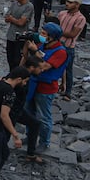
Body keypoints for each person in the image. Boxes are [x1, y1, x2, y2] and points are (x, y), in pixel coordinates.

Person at [21, 22, 67, 157]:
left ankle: (44, 142)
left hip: (46, 88)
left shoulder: (60, 52)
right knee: (29, 112)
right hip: (33, 83)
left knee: (43, 116)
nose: (41, 35)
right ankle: (30, 136)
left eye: (44, 34)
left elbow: (44, 66)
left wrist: (35, 51)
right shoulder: (43, 46)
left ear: (53, 37)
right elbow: (30, 60)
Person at [58, 0, 86, 99]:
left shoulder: (80, 18)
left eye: (70, 2)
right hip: (57, 43)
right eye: (67, 1)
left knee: (68, 69)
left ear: (77, 4)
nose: (67, 4)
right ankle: (59, 86)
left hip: (68, 46)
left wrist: (58, 31)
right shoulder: (62, 13)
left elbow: (73, 34)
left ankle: (68, 92)